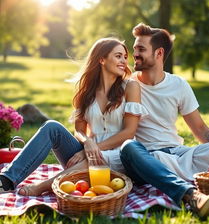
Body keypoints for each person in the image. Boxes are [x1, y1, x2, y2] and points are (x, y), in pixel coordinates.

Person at [120, 23, 209, 217]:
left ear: (159, 53)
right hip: (150, 158)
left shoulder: (178, 85)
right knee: (129, 147)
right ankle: (192, 196)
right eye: (134, 49)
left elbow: (201, 129)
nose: (134, 54)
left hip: (179, 154)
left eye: (141, 49)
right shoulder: (127, 85)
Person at [0, 37, 147, 196]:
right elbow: (79, 131)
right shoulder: (86, 92)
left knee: (93, 159)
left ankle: (41, 187)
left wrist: (91, 149)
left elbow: (129, 132)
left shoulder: (130, 86)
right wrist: (87, 142)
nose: (124, 61)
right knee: (52, 127)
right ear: (102, 59)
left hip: (119, 155)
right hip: (88, 152)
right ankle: (7, 180)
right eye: (118, 56)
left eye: (125, 57)